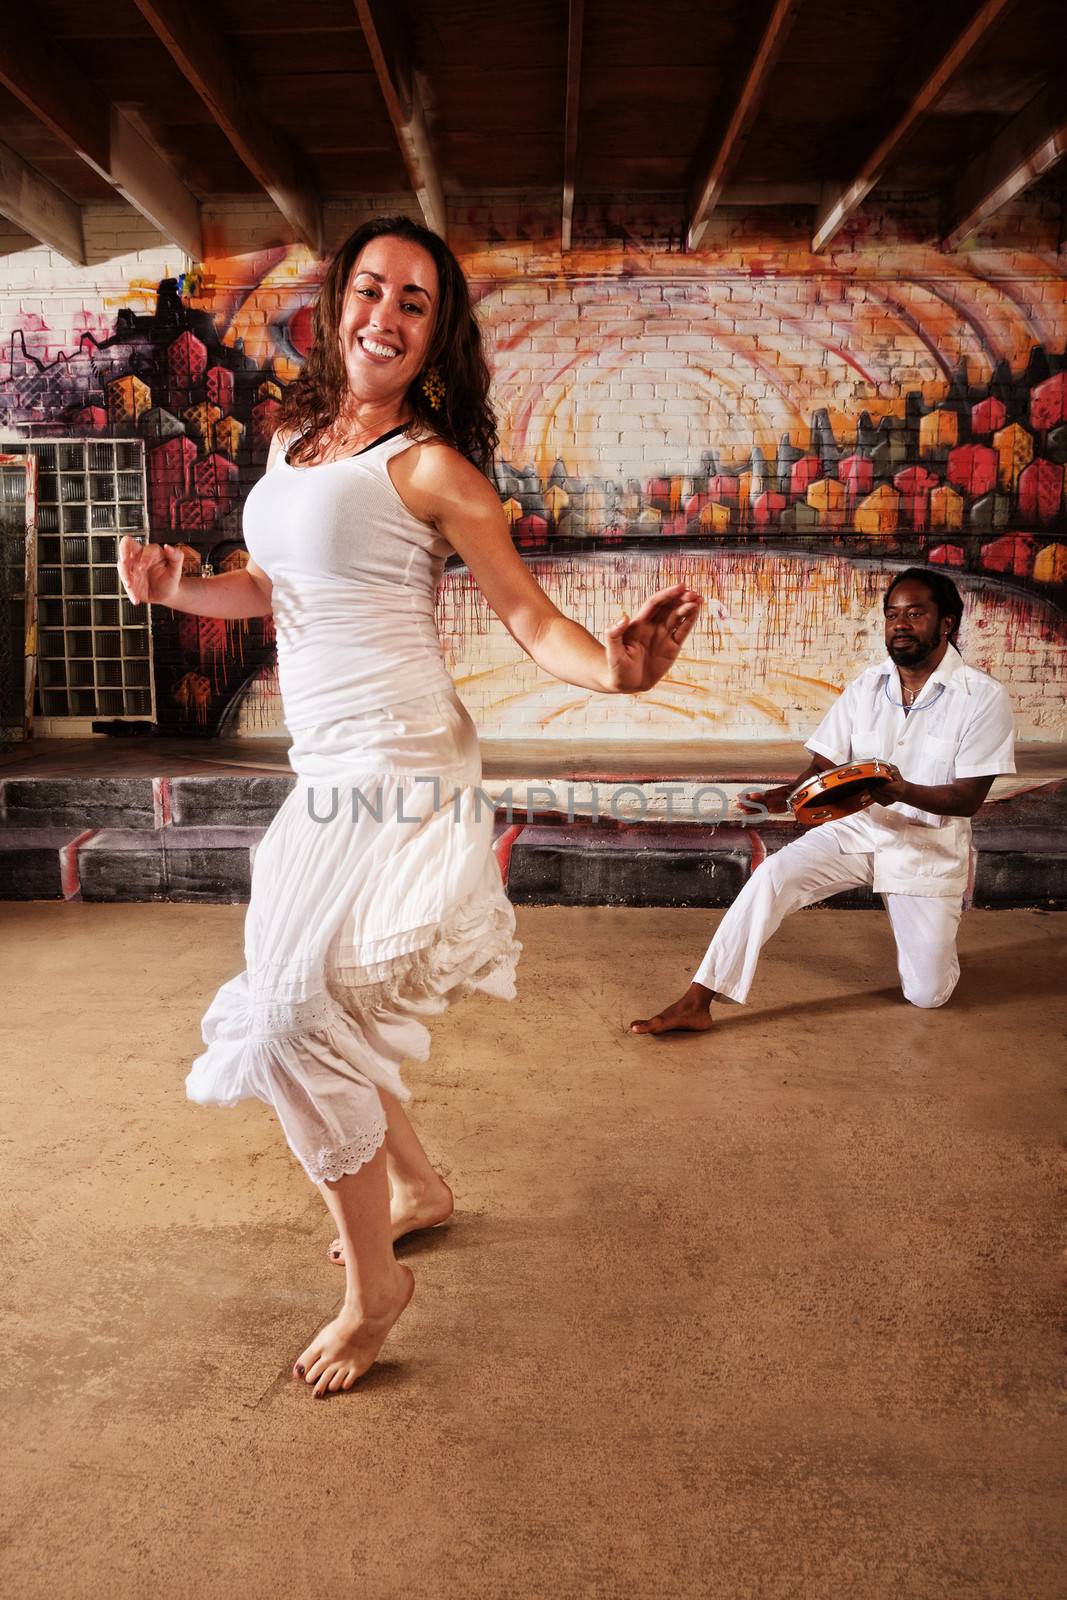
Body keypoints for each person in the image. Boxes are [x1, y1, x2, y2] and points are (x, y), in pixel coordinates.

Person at [118, 214, 701, 1398]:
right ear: (338, 305)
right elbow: (271, 590)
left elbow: (531, 619)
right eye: (371, 290)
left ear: (435, 338)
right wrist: (185, 585)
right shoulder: (291, 445)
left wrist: (618, 670)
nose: (384, 316)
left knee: (285, 1015)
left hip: (401, 766)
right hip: (323, 770)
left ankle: (374, 1285)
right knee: (312, 997)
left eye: (414, 304)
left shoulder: (432, 468)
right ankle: (419, 1187)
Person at [630, 568, 1016, 1036]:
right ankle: (698, 999)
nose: (900, 624)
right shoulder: (868, 686)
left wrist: (903, 791)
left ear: (947, 623)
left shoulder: (982, 697)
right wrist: (783, 796)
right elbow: (824, 762)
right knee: (773, 874)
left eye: (915, 614)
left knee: (927, 994)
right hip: (862, 827)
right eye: (892, 614)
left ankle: (937, 949)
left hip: (926, 847)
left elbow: (967, 798)